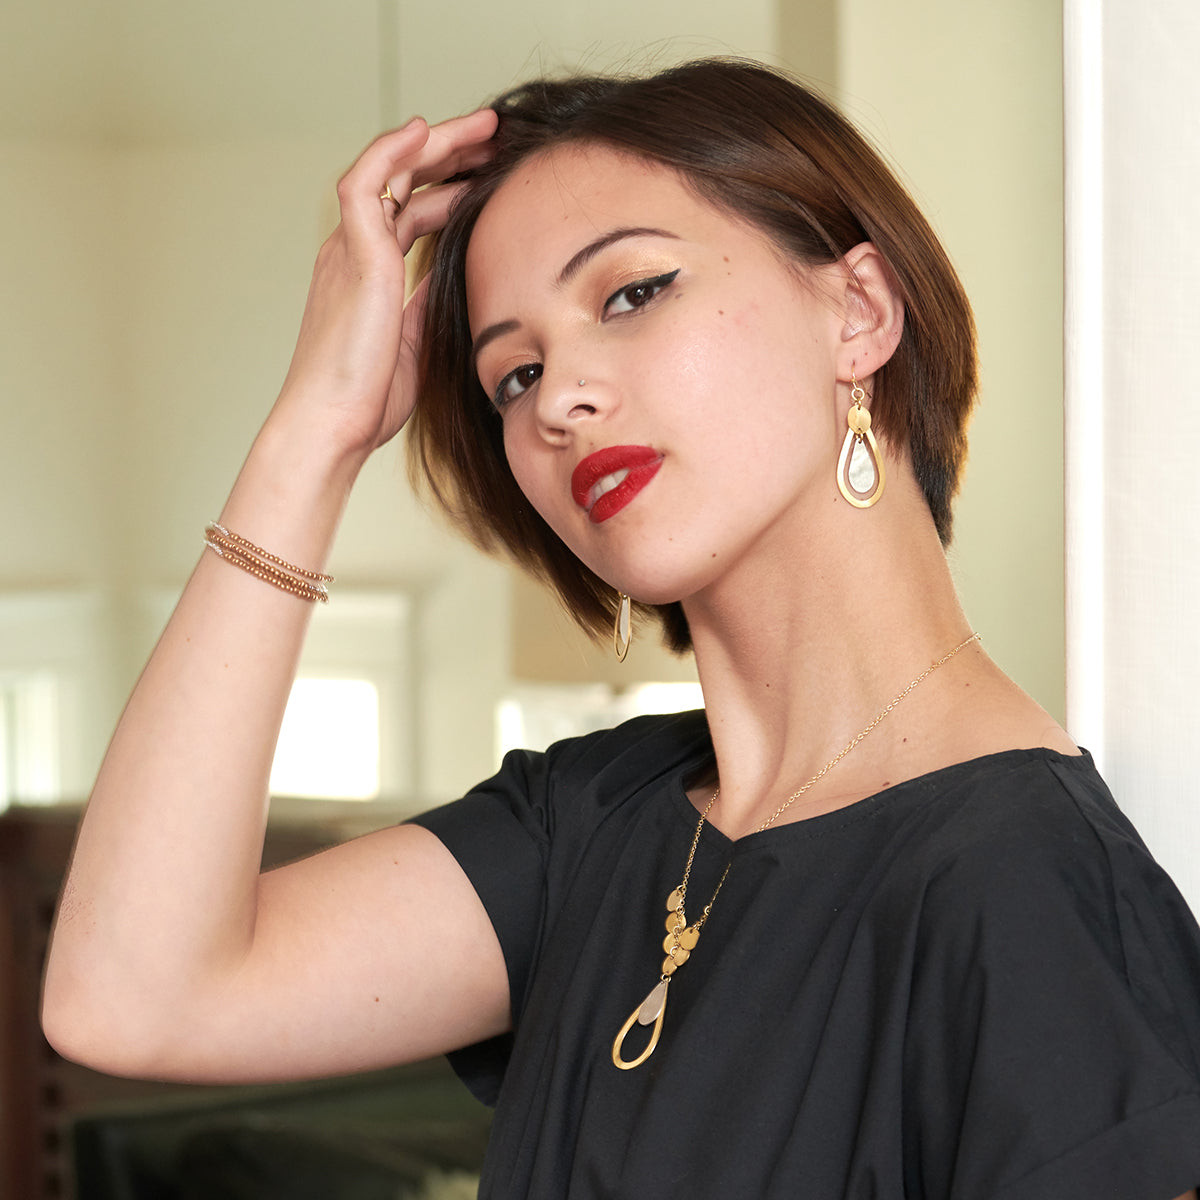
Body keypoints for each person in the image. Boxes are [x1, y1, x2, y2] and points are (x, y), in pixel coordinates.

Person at [41, 58, 1200, 1199]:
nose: (559, 397)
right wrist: (317, 433)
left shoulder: (1035, 898)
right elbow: (129, 994)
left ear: (857, 309)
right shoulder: (585, 828)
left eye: (633, 292)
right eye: (514, 373)